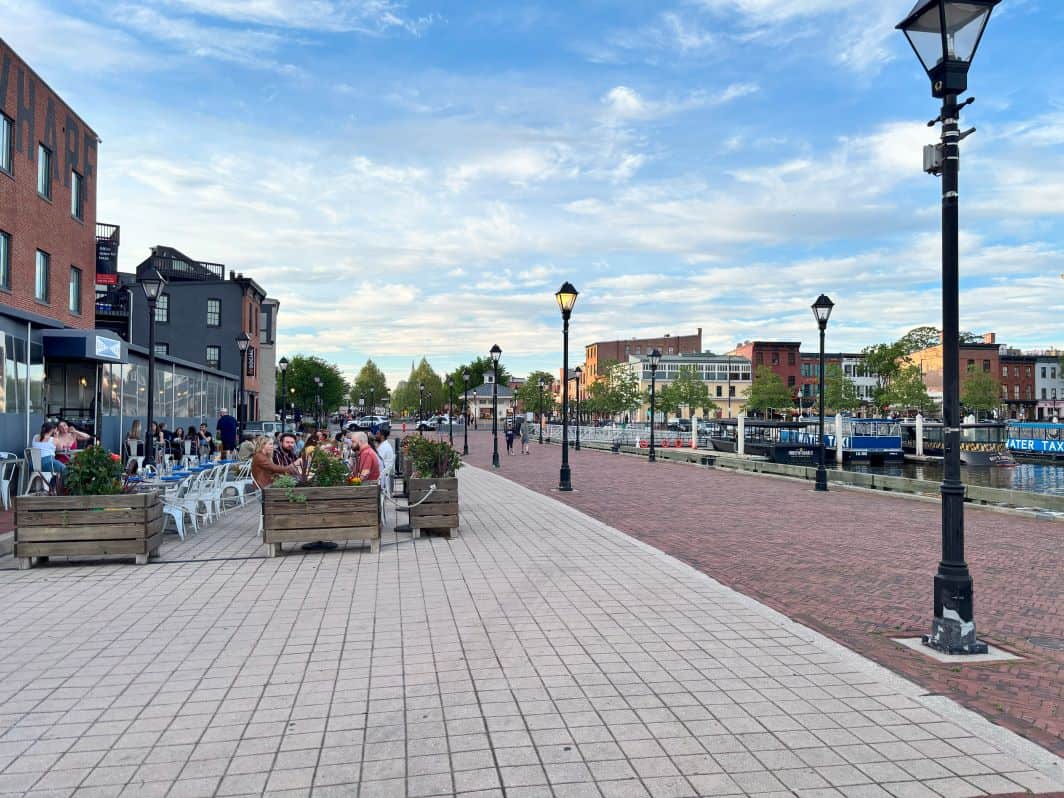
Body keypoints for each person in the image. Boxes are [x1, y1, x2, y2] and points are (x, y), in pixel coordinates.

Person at [374, 425, 395, 495]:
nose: (375, 435)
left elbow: (376, 462)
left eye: (377, 434)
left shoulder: (384, 447)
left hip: (382, 475)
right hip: (383, 473)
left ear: (382, 436)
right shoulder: (384, 445)